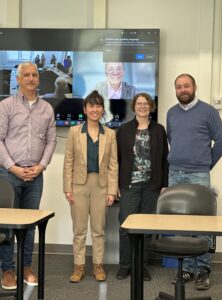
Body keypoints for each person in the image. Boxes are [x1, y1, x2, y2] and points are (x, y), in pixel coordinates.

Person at [0, 62, 56, 290]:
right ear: (19, 78)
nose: (31, 78)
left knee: (31, 224)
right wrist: (12, 167)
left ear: (39, 79)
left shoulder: (47, 109)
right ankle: (8, 269)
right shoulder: (5, 106)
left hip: (35, 176)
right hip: (8, 175)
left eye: (34, 75)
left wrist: (41, 166)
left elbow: (52, 140)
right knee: (6, 226)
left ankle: (26, 267)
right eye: (27, 75)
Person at [167, 73, 222, 290]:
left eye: (186, 86)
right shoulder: (171, 113)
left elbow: (221, 140)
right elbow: (172, 139)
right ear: (175, 90)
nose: (183, 90)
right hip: (175, 173)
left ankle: (203, 270)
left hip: (199, 174)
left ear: (194, 87)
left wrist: (206, 163)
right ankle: (186, 269)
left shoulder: (208, 112)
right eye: (179, 87)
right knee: (180, 224)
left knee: (202, 225)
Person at [63, 90, 118, 283]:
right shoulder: (74, 132)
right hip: (78, 185)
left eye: (98, 106)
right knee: (79, 229)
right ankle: (79, 267)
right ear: (85, 109)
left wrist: (112, 190)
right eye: (91, 106)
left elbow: (113, 164)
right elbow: (68, 161)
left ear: (103, 110)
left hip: (101, 186)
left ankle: (98, 265)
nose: (95, 110)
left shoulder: (110, 134)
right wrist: (67, 188)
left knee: (98, 229)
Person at [116, 92, 168, 280]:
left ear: (151, 106)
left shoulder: (159, 130)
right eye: (139, 103)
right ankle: (125, 265)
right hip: (129, 185)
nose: (143, 106)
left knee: (146, 228)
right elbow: (117, 160)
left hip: (151, 186)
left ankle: (141, 266)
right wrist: (115, 184)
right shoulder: (123, 130)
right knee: (125, 226)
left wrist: (164, 184)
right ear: (134, 106)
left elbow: (164, 158)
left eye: (146, 103)